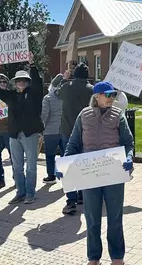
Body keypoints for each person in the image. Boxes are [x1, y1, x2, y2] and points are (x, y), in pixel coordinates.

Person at [63, 81, 134, 265]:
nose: (111, 98)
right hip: (90, 173)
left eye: (112, 95)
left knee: (115, 216)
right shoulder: (84, 115)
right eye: (107, 94)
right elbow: (73, 143)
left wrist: (128, 158)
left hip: (114, 172)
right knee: (92, 217)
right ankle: (93, 257)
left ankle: (117, 256)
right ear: (97, 96)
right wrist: (63, 165)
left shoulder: (118, 115)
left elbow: (128, 142)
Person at [0, 53, 44, 204]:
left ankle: (30, 194)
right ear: (15, 82)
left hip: (30, 134)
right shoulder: (11, 96)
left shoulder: (34, 94)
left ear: (28, 82)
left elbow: (38, 83)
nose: (21, 82)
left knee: (31, 167)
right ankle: (20, 192)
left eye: (24, 80)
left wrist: (32, 65)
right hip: (14, 134)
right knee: (17, 166)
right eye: (18, 80)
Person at [58, 63, 93, 214]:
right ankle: (83, 195)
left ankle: (71, 200)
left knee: (69, 164)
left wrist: (64, 79)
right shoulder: (92, 90)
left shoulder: (66, 87)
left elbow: (55, 92)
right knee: (85, 165)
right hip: (86, 132)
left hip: (67, 130)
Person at [41, 74, 64, 184]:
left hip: (50, 131)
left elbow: (44, 114)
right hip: (65, 130)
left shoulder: (48, 98)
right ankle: (66, 175)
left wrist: (42, 127)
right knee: (65, 155)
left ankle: (51, 176)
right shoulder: (66, 98)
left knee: (50, 155)